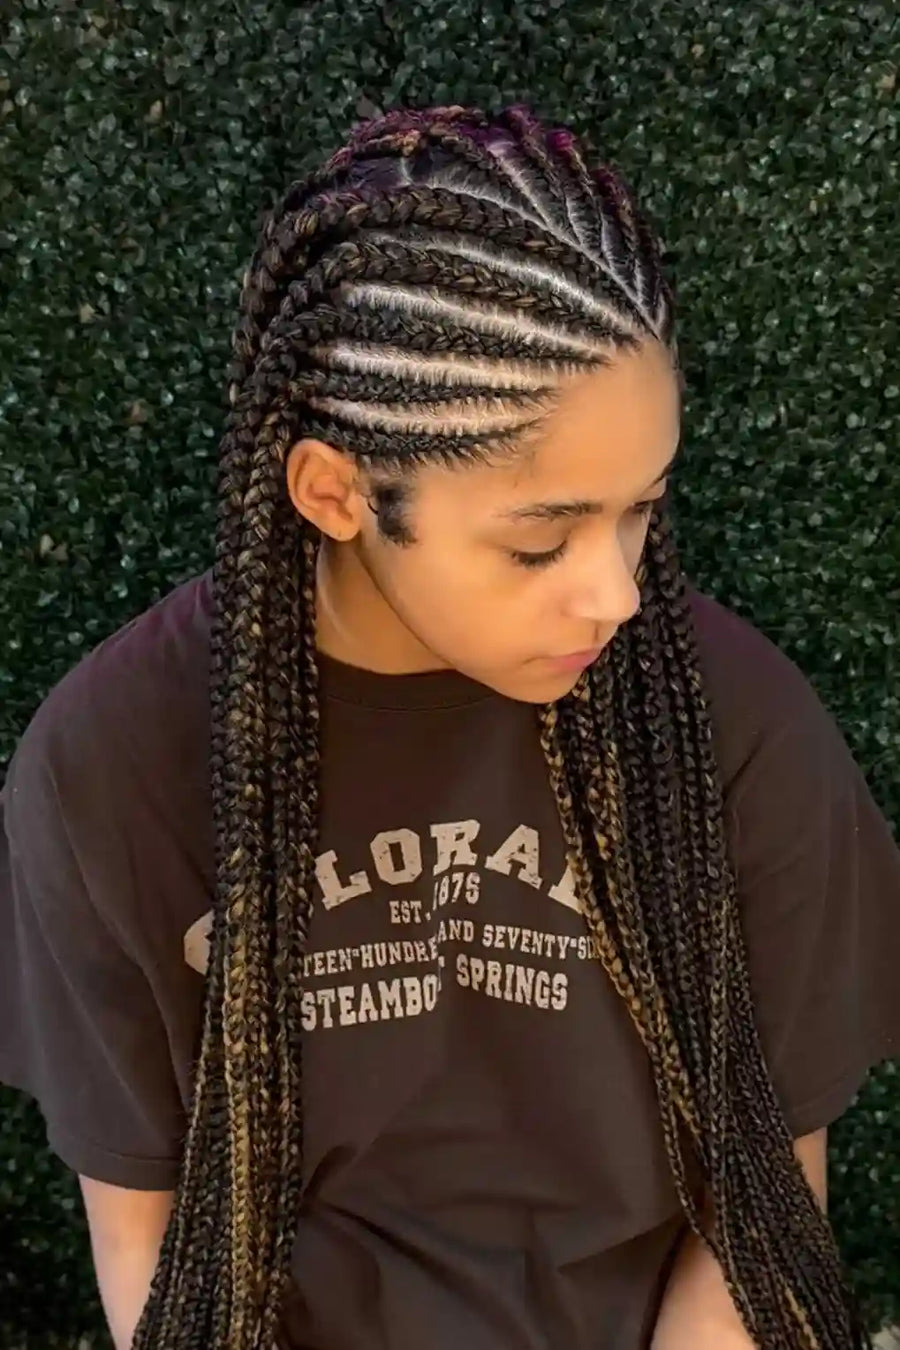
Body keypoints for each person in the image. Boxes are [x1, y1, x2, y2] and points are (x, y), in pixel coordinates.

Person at [1, 103, 898, 1350]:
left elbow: (762, 1212)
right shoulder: (110, 769)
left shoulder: (732, 732)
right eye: (541, 541)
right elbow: (149, 1241)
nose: (617, 595)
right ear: (336, 492)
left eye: (642, 511)